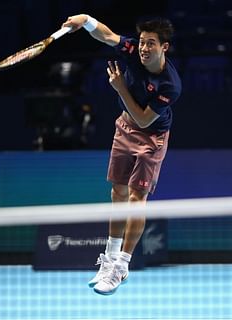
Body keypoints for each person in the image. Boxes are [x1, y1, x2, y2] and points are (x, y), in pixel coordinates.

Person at [62, 14, 181, 294]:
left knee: (137, 197)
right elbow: (107, 35)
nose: (143, 48)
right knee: (118, 193)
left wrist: (120, 88)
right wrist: (86, 20)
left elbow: (143, 120)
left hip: (151, 137)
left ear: (164, 47)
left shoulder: (169, 85)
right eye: (142, 42)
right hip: (124, 127)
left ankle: (122, 265)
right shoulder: (131, 51)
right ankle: (109, 258)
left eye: (151, 43)